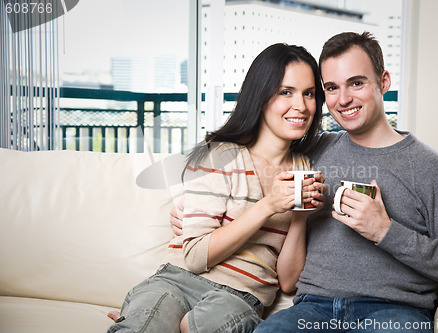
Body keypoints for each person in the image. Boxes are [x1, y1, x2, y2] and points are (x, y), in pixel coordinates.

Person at [171, 32, 438, 332]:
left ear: (384, 82)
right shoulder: (312, 151)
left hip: (393, 312)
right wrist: (194, 208)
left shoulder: (432, 169)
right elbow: (255, 158)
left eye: (356, 83)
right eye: (332, 88)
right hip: (311, 310)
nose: (344, 99)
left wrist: (385, 231)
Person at [106, 43, 326, 333]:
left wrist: (300, 215)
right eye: (286, 92)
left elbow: (288, 282)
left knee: (208, 325)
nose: (301, 105)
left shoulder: (303, 169)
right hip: (176, 280)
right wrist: (269, 205)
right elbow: (196, 257)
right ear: (261, 97)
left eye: (308, 93)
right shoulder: (221, 155)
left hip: (239, 297)